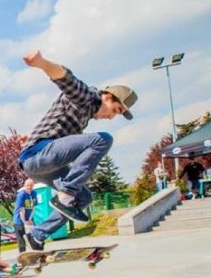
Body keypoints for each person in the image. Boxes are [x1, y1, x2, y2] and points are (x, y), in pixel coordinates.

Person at [17, 50, 137, 251]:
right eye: (115, 110)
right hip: (37, 155)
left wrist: (29, 136)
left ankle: (38, 235)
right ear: (107, 97)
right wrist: (41, 62)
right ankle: (65, 195)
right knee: (103, 140)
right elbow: (64, 77)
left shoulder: (86, 115)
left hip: (43, 164)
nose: (112, 117)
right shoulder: (87, 97)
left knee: (84, 198)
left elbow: (56, 129)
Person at [12, 178, 38, 253]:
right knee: (22, 241)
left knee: (33, 238)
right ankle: (23, 258)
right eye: (27, 185)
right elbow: (21, 209)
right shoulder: (21, 194)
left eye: (31, 185)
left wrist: (30, 219)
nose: (29, 187)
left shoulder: (34, 193)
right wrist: (24, 221)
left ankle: (35, 254)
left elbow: (34, 207)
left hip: (29, 219)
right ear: (24, 185)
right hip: (19, 220)